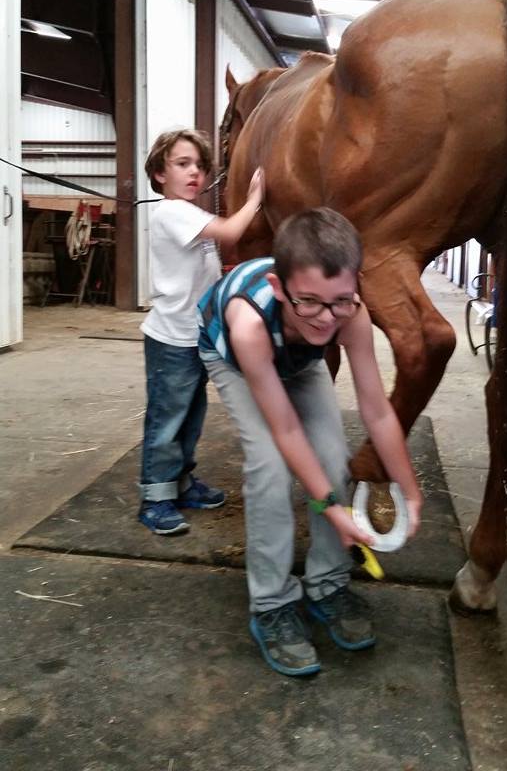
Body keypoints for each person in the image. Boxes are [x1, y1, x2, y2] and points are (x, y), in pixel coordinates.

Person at [198, 208, 423, 676]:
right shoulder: (249, 325)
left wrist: (411, 491)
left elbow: (377, 411)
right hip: (238, 360)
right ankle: (272, 602)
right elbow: (285, 429)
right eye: (311, 302)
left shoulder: (348, 315)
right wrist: (329, 507)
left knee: (334, 460)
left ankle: (327, 582)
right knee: (270, 468)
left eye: (340, 301)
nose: (326, 318)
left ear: (355, 286)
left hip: (300, 359)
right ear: (280, 288)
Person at [139, 127, 264, 535]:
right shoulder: (172, 211)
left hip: (193, 336)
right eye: (182, 164)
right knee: (167, 418)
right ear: (160, 174)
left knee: (191, 415)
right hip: (171, 339)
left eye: (199, 165)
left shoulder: (189, 214)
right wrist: (255, 200)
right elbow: (230, 232)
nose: (194, 172)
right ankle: (155, 497)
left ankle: (181, 483)